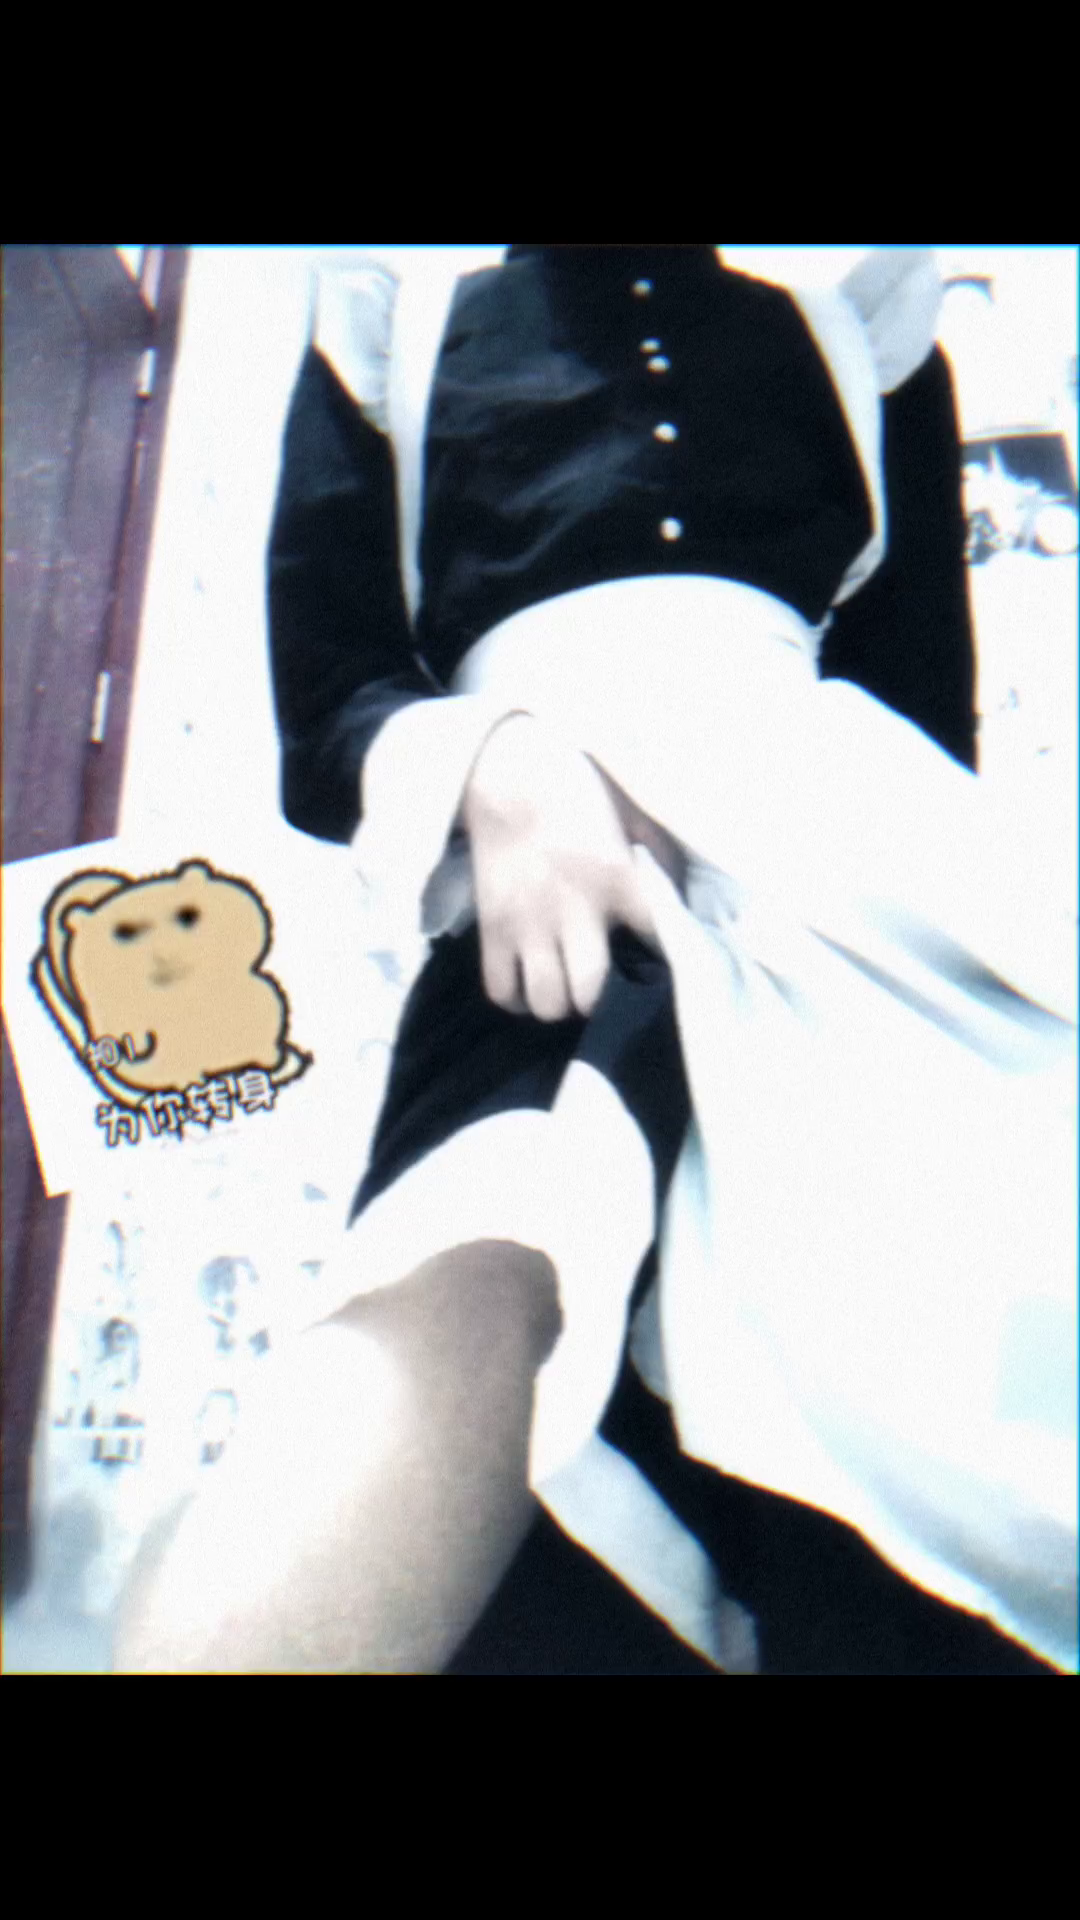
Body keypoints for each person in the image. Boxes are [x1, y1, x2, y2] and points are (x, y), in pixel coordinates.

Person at [114, 246, 1076, 1675]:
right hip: (554, 881)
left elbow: (923, 700)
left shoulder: (858, 330)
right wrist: (497, 762)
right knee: (476, 1271)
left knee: (956, 1332)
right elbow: (327, 703)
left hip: (862, 871)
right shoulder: (394, 322)